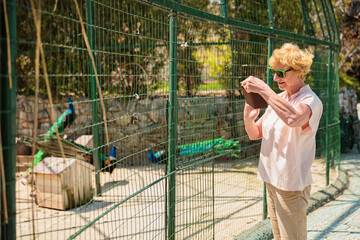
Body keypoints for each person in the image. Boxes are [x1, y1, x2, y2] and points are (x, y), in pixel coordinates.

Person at [241, 43, 323, 240]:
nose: (275, 78)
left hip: (291, 187)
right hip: (272, 181)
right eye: (273, 72)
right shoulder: (278, 99)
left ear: (299, 72)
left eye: (281, 73)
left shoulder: (311, 101)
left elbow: (293, 119)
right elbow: (255, 134)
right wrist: (247, 118)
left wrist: (264, 90)